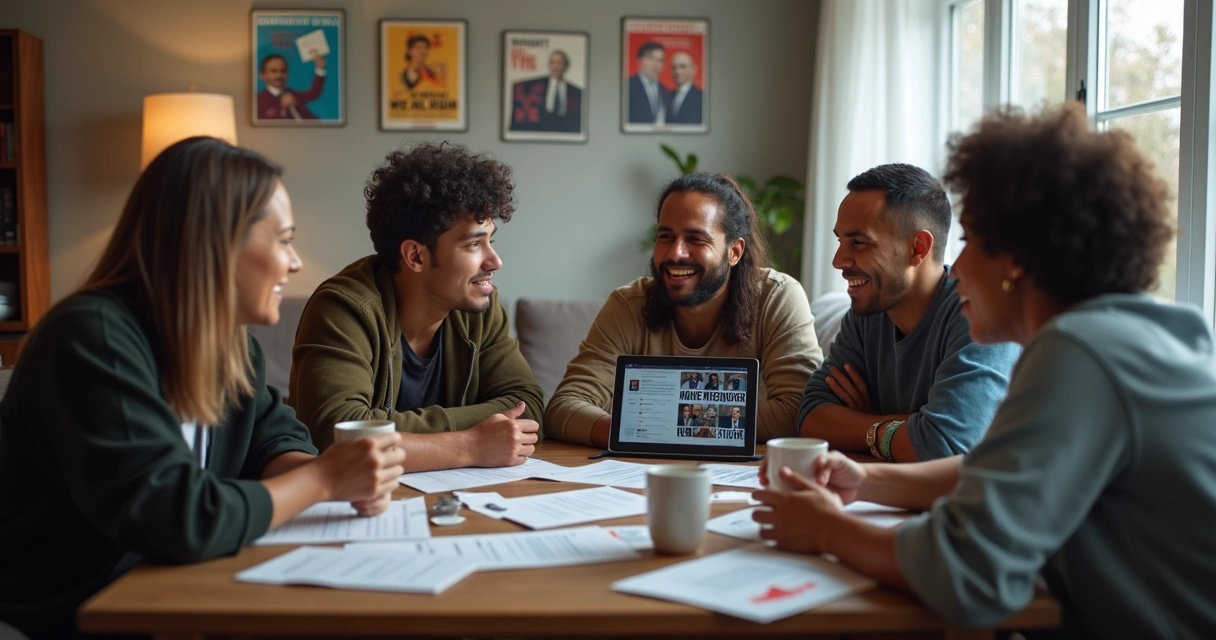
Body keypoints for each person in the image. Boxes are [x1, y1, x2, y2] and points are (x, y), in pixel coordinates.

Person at [753, 104, 1216, 638]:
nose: (959, 266)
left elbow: (966, 574)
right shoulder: (1122, 336)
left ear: (1018, 255)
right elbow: (996, 470)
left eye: (971, 240)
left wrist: (826, 529)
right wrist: (869, 479)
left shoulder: (1079, 351)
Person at [0, 138, 405, 639]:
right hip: (75, 612)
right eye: (283, 240)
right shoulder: (92, 338)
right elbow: (176, 518)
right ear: (216, 241)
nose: (295, 262)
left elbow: (273, 440)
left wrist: (339, 479)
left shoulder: (229, 344)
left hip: (177, 588)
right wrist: (322, 480)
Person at [289, 142, 543, 471]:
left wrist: (392, 429)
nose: (494, 261)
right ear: (416, 256)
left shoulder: (480, 306)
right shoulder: (343, 308)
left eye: (491, 240)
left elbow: (529, 407)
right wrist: (471, 444)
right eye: (474, 244)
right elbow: (340, 432)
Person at [545, 172, 823, 447]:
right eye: (665, 236)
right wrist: (638, 433)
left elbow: (798, 413)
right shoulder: (629, 305)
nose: (675, 253)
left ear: (734, 251)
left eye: (696, 239)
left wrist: (657, 423)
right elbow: (564, 407)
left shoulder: (778, 297)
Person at [797, 163, 1019, 462]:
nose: (838, 261)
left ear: (918, 247)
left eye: (859, 243)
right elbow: (810, 416)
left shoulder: (977, 315)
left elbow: (944, 444)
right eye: (840, 241)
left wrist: (874, 425)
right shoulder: (868, 309)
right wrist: (895, 428)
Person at [510, 49, 582, 133]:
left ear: (566, 66)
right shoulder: (533, 86)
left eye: (559, 63)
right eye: (553, 62)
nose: (555, 66)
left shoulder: (577, 92)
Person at [256, 53, 327, 120]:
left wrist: (319, 68)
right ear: (262, 75)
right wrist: (281, 108)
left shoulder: (291, 94)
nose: (279, 75)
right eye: (273, 71)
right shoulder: (258, 101)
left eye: (283, 71)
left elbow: (313, 94)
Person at [627, 41, 668, 124]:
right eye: (651, 59)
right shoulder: (628, 86)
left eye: (660, 60)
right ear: (640, 59)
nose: (656, 64)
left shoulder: (665, 90)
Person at [667, 51, 703, 124]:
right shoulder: (666, 96)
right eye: (674, 67)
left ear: (694, 69)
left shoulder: (703, 98)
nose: (677, 71)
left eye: (683, 66)